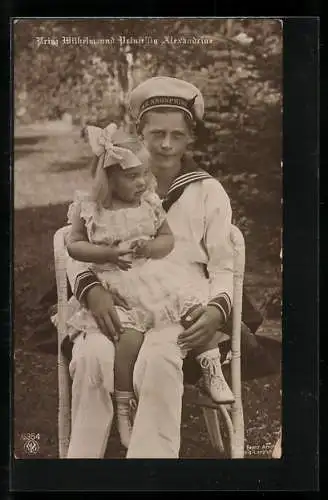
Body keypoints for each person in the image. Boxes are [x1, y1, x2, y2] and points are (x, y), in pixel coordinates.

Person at [63, 76, 244, 458]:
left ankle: (149, 466)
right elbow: (71, 242)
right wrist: (90, 289)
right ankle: (79, 464)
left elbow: (225, 266)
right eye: (156, 133)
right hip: (113, 296)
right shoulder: (108, 188)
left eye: (176, 135)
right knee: (92, 356)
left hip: (175, 304)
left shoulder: (206, 191)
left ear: (189, 138)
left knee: (161, 359)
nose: (165, 144)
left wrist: (215, 310)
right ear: (138, 132)